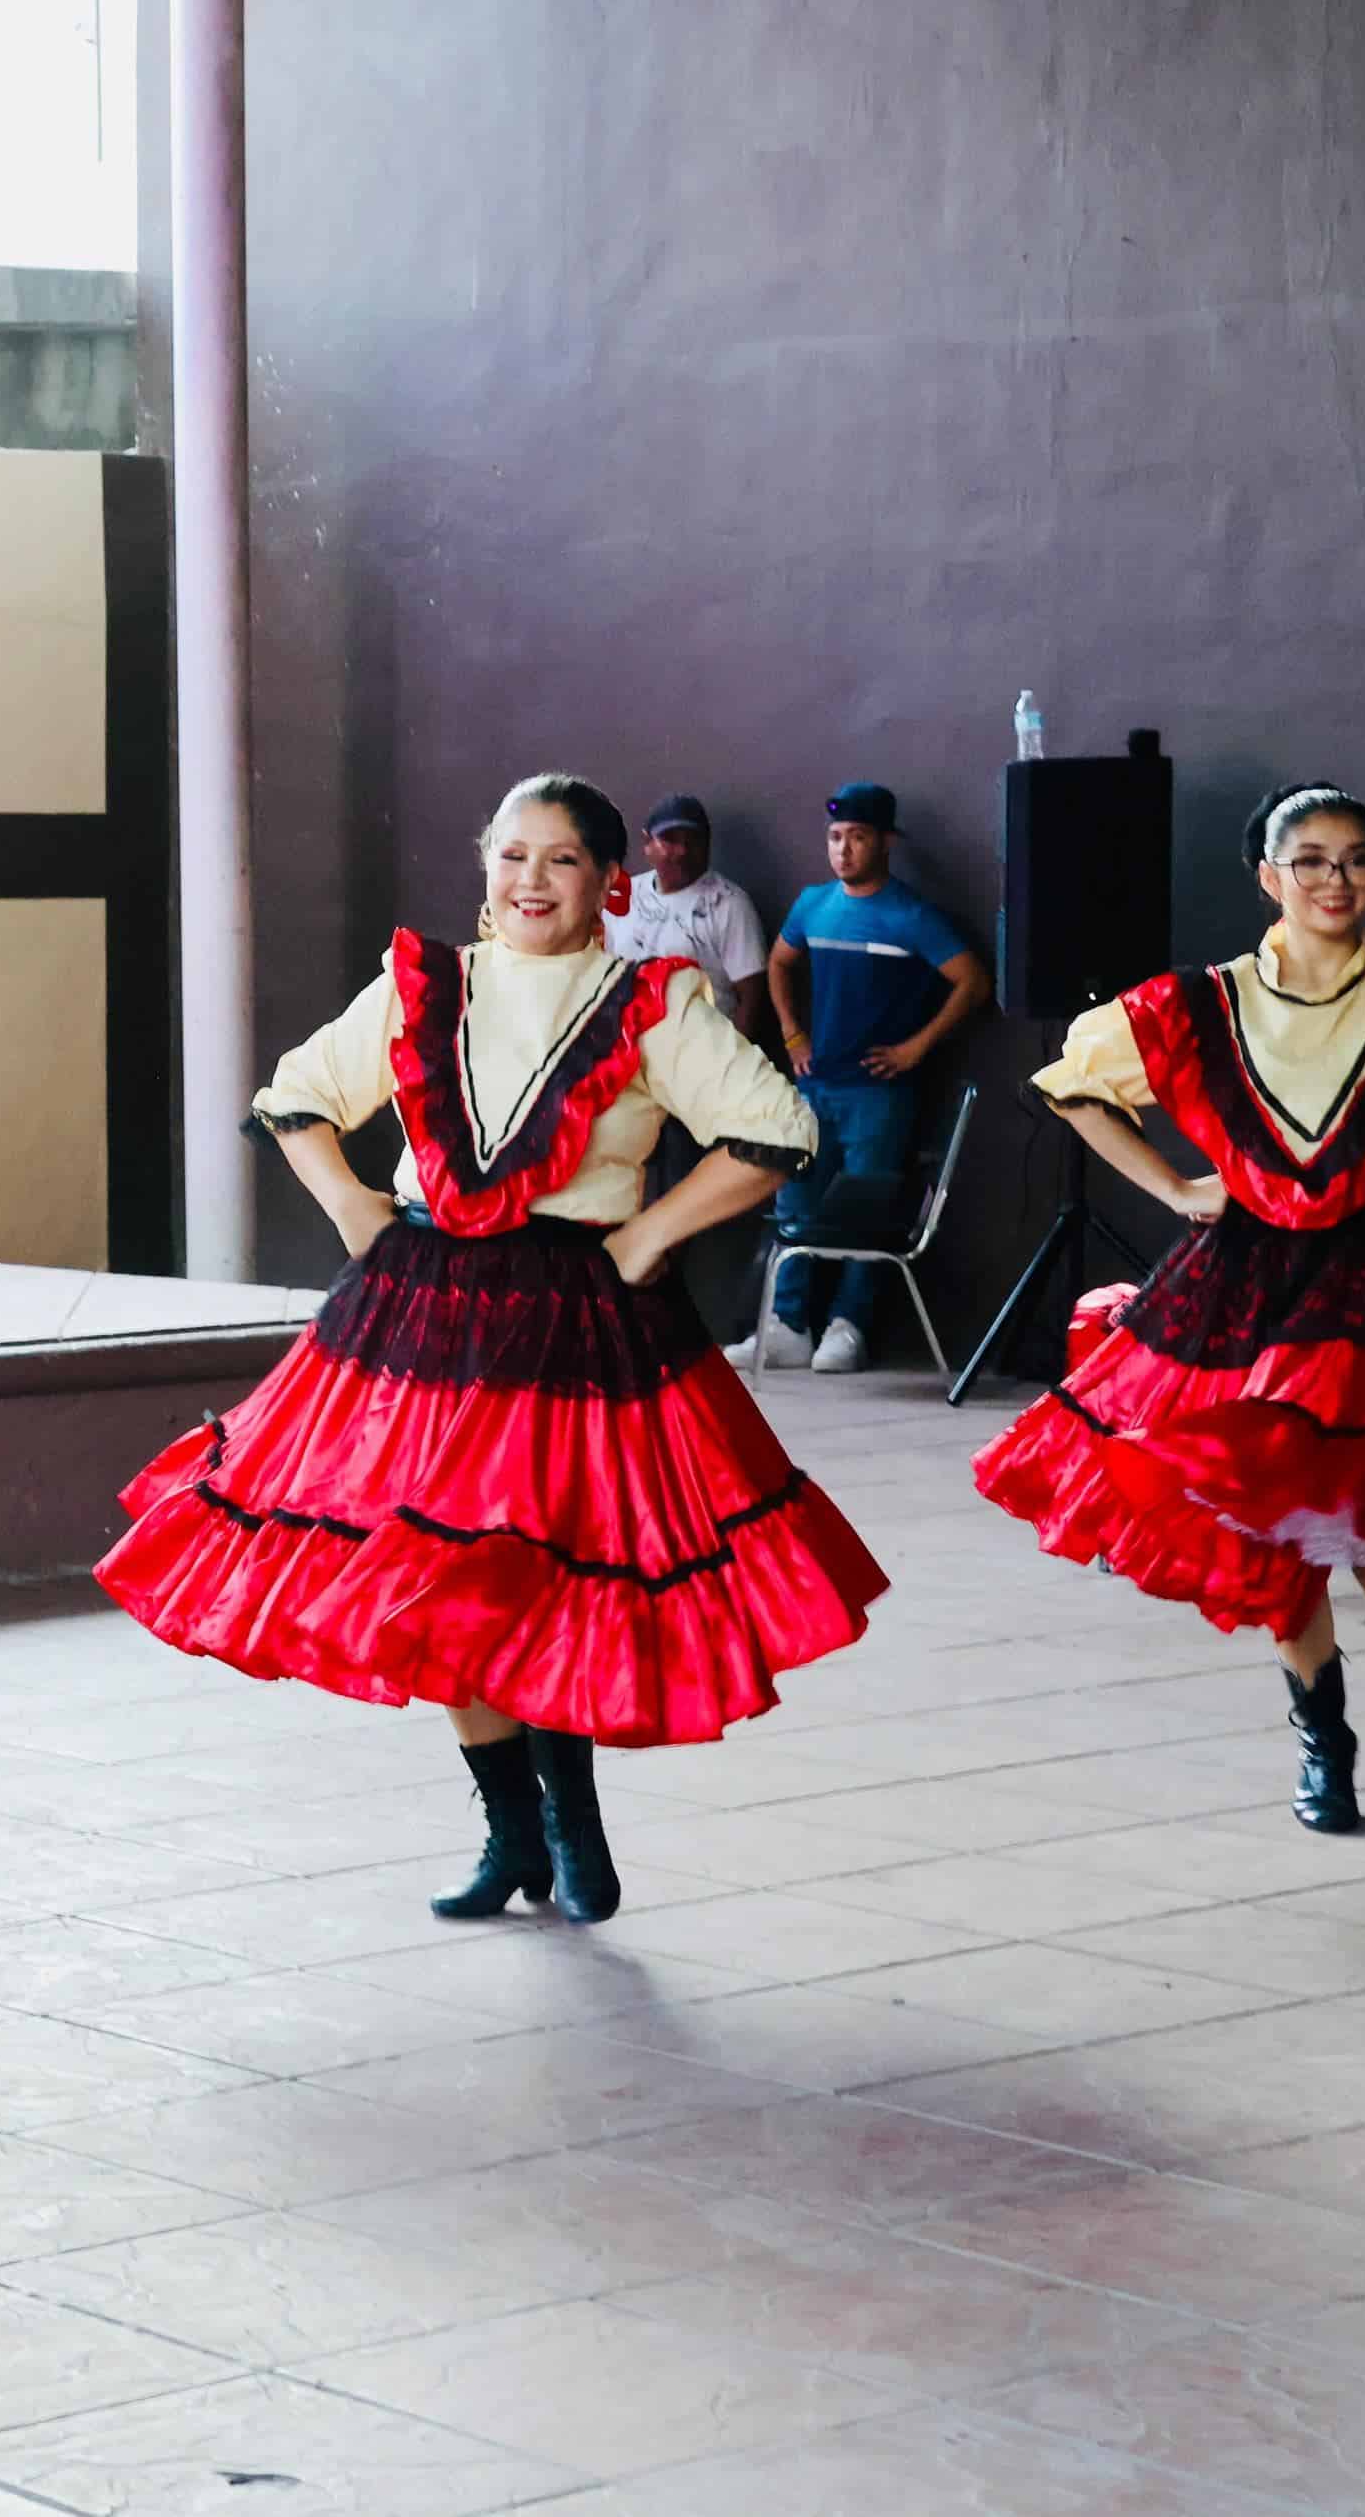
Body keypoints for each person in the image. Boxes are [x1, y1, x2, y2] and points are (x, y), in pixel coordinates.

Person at [96, 774, 886, 1925]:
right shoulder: (427, 986)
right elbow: (297, 1096)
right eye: (510, 855)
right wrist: (359, 1211)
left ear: (608, 882)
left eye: (559, 860)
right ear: (483, 867)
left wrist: (648, 1231)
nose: (529, 879)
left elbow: (778, 1130)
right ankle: (512, 1832)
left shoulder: (653, 1001)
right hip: (420, 1321)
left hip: (572, 1321)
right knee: (436, 1580)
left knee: (539, 1576)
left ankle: (567, 1817)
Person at [972, 784, 1365, 1834]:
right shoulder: (1196, 1003)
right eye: (1311, 859)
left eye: (1356, 859)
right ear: (1268, 877)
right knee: (1279, 1536)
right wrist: (1176, 1188)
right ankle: (1322, 1747)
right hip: (1244, 1286)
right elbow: (1071, 1086)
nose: (1336, 879)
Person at [740, 781, 988, 1374]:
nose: (843, 850)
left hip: (879, 1094)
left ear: (885, 842)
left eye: (856, 837)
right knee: (794, 1202)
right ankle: (788, 1327)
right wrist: (792, 1033)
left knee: (866, 1210)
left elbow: (973, 982)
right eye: (834, 837)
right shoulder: (813, 904)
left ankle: (847, 1329)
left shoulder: (912, 915)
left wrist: (915, 1049)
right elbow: (778, 961)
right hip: (813, 1086)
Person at [606, 793, 772, 1040]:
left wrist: (731, 1061)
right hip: (631, 1052)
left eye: (693, 839)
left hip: (700, 1052)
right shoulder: (624, 895)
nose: (683, 850)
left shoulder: (727, 903)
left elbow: (752, 997)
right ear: (647, 842)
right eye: (670, 840)